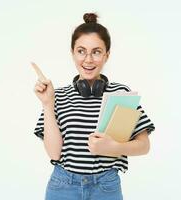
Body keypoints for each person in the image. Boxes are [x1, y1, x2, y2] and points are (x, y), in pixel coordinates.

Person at [33, 12, 155, 200]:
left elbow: (144, 145)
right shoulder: (58, 96)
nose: (88, 59)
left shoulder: (121, 94)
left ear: (107, 55)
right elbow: (54, 154)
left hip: (106, 187)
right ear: (72, 53)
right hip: (63, 186)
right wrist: (48, 104)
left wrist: (113, 147)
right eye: (81, 51)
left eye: (96, 52)